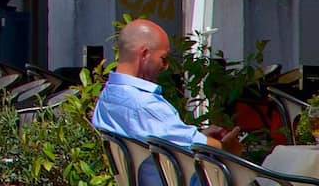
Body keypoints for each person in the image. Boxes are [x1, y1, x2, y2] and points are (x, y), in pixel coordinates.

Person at [93, 19, 240, 185]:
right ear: (144, 54)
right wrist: (225, 147)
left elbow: (164, 135)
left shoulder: (107, 97)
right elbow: (202, 148)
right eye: (163, 58)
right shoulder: (145, 105)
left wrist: (200, 136)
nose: (166, 66)